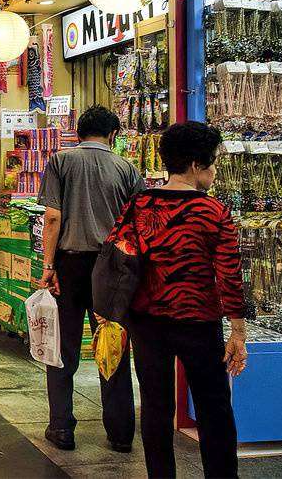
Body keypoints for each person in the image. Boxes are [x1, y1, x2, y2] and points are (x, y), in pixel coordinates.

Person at [105, 122, 247, 478]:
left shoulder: (139, 204)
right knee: (214, 407)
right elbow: (229, 275)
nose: (214, 171)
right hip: (198, 321)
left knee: (155, 405)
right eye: (213, 162)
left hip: (146, 320)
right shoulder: (213, 212)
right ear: (197, 166)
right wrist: (238, 331)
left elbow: (118, 253)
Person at [37, 105, 143, 453]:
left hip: (69, 266)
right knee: (111, 345)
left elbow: (53, 218)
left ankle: (62, 427)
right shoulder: (126, 168)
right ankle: (121, 433)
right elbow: (138, 224)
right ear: (112, 134)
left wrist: (48, 265)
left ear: (79, 132)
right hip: (112, 269)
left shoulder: (61, 161)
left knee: (63, 347)